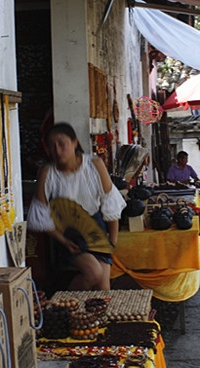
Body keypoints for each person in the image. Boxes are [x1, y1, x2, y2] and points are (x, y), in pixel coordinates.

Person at [27, 122, 126, 291]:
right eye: (52, 146)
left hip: (95, 229)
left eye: (62, 144)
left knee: (103, 287)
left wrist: (112, 241)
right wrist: (64, 241)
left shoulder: (94, 165)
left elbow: (110, 204)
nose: (57, 150)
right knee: (93, 273)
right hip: (67, 234)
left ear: (74, 142)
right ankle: (64, 302)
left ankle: (82, 309)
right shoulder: (47, 173)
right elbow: (41, 216)